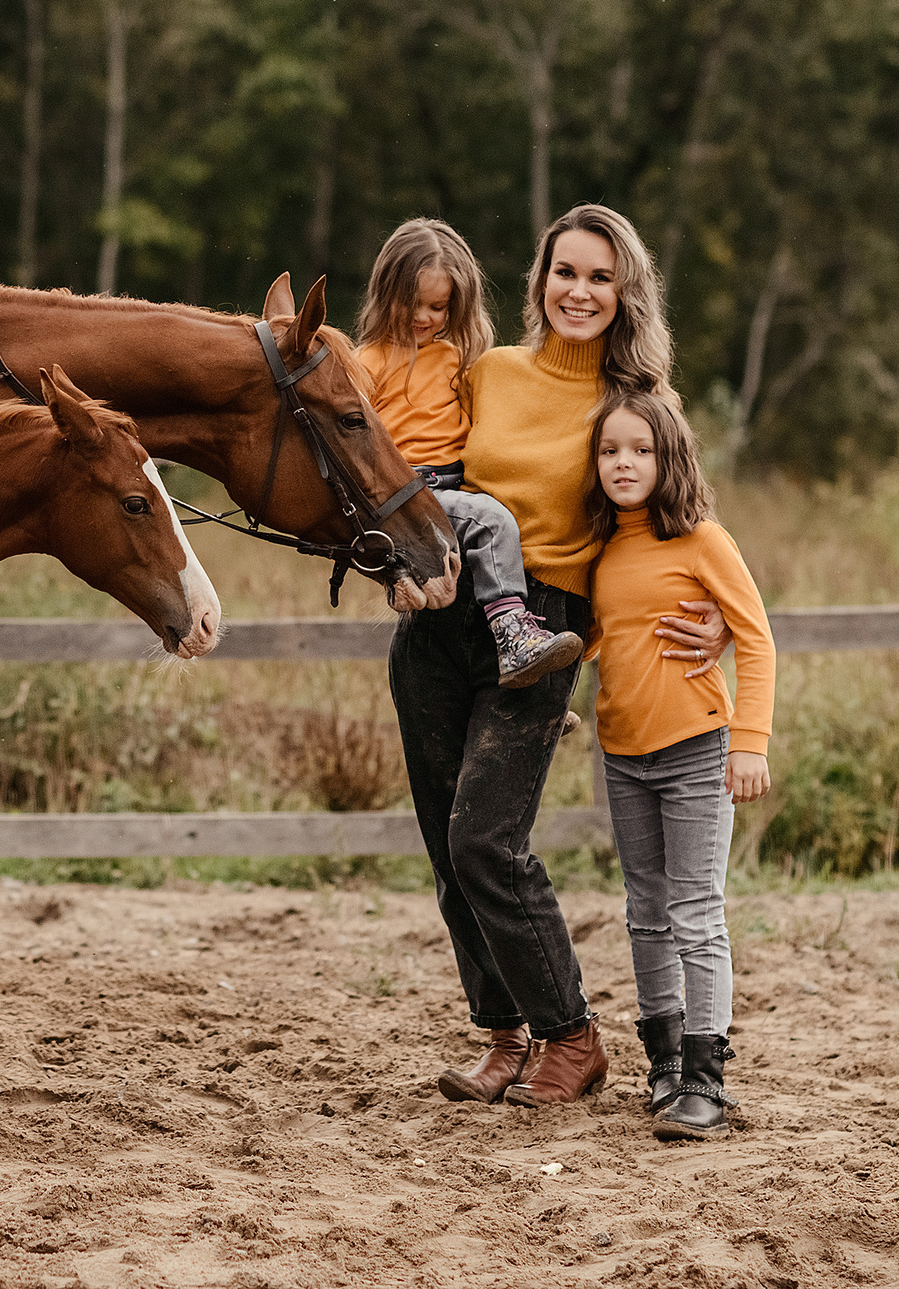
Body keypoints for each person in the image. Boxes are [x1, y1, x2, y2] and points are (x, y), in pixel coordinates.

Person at [389, 202, 729, 1109]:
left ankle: (572, 1035)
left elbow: (680, 525)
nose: (579, 291)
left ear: (626, 293)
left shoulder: (638, 404)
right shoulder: (488, 371)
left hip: (544, 630)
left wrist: (724, 621)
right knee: (444, 845)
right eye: (564, 272)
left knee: (485, 839)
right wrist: (398, 567)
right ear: (540, 281)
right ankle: (504, 1036)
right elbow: (428, 482)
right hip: (441, 617)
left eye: (599, 276)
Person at [581, 388, 775, 1142]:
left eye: (641, 449)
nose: (624, 462)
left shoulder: (702, 540)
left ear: (670, 458)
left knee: (696, 913)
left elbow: (755, 638)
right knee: (644, 913)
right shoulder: (603, 549)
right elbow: (601, 637)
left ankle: (705, 1079)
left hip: (697, 750)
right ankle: (662, 1061)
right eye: (609, 450)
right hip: (623, 757)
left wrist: (749, 740)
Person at [356, 219, 583, 689]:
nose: (424, 317)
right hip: (410, 489)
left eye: (437, 306)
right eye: (411, 303)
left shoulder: (457, 358)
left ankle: (521, 675)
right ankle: (515, 639)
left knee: (487, 555)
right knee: (491, 521)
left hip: (458, 482)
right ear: (386, 293)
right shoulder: (366, 363)